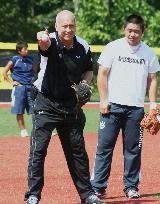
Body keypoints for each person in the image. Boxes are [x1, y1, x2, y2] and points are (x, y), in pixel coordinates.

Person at [24, 10, 105, 204]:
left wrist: (85, 85)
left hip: (70, 105)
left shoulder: (83, 45)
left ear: (75, 26)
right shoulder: (50, 40)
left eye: (71, 25)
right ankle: (33, 195)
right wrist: (42, 39)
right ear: (56, 27)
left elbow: (88, 71)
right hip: (45, 102)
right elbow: (44, 45)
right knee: (38, 150)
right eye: (64, 26)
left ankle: (88, 195)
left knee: (77, 151)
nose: (68, 29)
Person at [91, 14, 160, 199]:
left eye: (136, 31)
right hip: (112, 106)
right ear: (124, 29)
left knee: (133, 150)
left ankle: (131, 187)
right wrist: (103, 99)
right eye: (130, 30)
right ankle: (98, 186)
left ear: (142, 32)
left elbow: (153, 79)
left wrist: (153, 105)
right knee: (104, 148)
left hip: (136, 109)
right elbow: (102, 74)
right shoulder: (113, 47)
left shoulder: (148, 52)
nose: (133, 34)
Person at [3, 41, 36, 137]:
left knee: (35, 110)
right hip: (19, 88)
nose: (27, 50)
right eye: (25, 49)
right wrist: (11, 82)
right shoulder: (14, 59)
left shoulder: (30, 59)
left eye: (27, 48)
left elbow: (35, 72)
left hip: (30, 88)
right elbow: (4, 72)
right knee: (19, 110)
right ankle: (23, 131)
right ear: (19, 50)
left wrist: (34, 81)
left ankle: (39, 130)